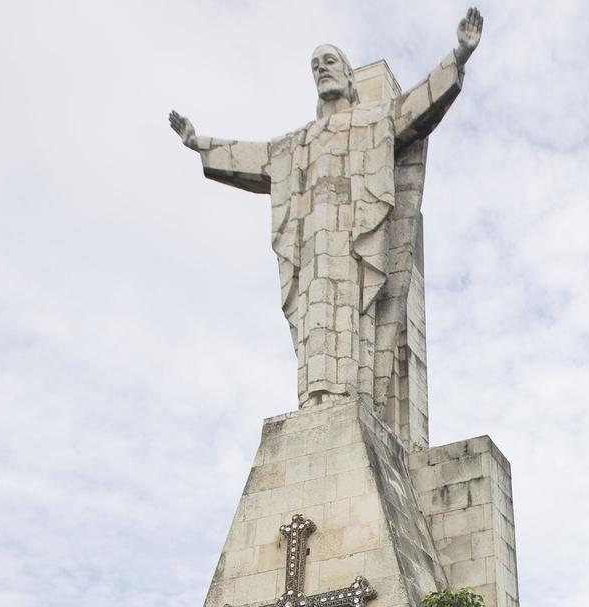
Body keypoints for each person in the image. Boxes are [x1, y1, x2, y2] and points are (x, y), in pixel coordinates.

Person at [168, 11, 484, 416]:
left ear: (350, 78)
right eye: (315, 66)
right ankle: (316, 401)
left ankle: (355, 400)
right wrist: (201, 144)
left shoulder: (374, 120)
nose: (321, 71)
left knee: (360, 315)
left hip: (357, 250)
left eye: (329, 62)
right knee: (315, 322)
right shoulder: (297, 144)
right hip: (315, 258)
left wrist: (459, 55)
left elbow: (417, 106)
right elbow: (255, 157)